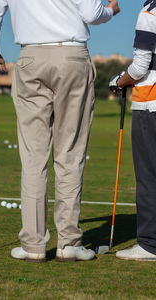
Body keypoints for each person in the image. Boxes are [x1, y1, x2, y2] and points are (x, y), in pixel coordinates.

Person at [0, 0, 120, 262]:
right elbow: (92, 14)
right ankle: (68, 243)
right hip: (72, 57)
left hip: (31, 57)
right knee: (69, 152)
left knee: (33, 156)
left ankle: (33, 244)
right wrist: (111, 10)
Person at [109, 0, 156, 261]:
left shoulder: (149, 13)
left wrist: (119, 81)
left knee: (149, 176)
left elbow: (140, 67)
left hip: (151, 103)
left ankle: (150, 244)